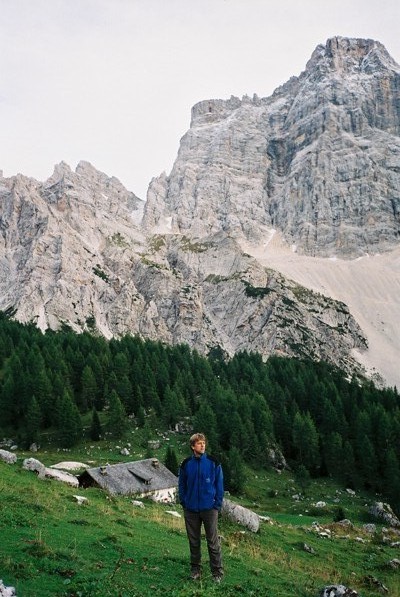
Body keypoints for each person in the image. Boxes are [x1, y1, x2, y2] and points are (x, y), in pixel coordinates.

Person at [178, 432, 224, 582]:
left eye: (204, 443)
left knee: (213, 541)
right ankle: (195, 571)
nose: (202, 445)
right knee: (194, 541)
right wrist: (184, 502)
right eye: (199, 443)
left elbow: (219, 485)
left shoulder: (213, 462)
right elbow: (182, 485)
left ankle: (217, 573)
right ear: (193, 446)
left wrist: (216, 504)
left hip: (209, 509)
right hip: (191, 509)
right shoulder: (186, 464)